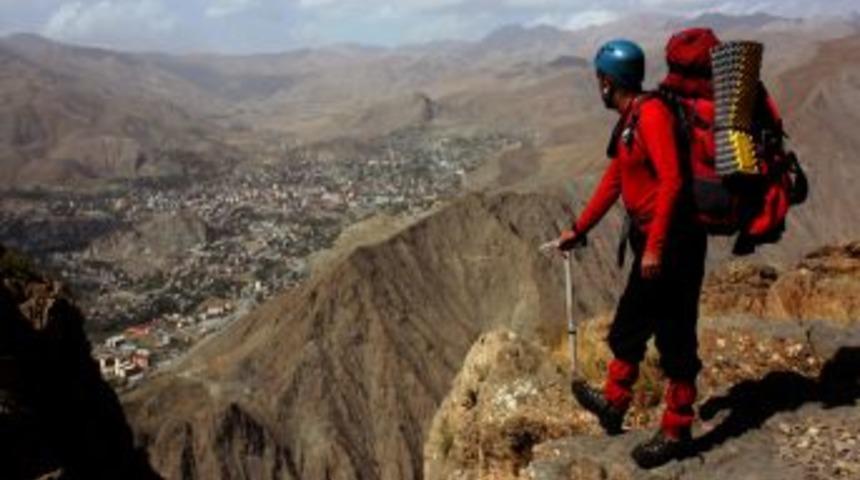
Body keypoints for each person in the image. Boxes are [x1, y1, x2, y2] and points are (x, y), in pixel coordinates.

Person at [556, 38, 708, 469]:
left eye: (599, 80)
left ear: (609, 81)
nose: (598, 87)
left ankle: (677, 429)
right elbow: (614, 181)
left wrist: (656, 246)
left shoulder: (652, 115)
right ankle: (615, 402)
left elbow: (673, 180)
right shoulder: (632, 120)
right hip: (652, 240)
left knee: (675, 334)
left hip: (674, 242)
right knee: (629, 325)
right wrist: (579, 230)